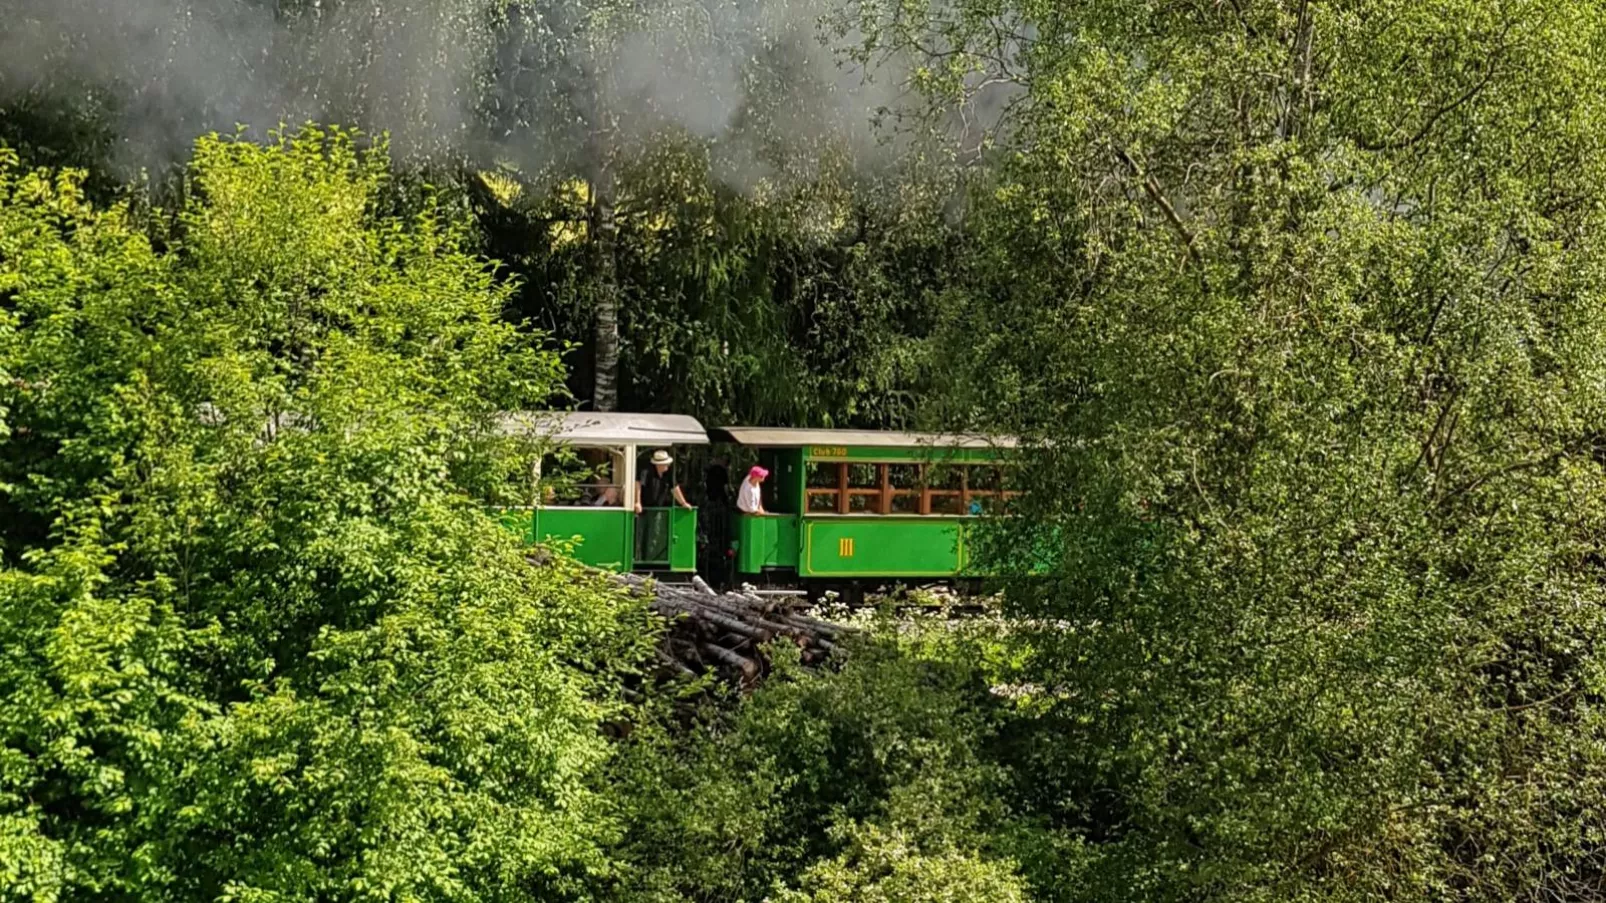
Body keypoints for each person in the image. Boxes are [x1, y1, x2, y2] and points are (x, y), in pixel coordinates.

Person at [636, 449, 691, 564]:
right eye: (665, 463)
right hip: (643, 510)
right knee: (639, 535)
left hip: (657, 510)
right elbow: (638, 485)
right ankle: (639, 561)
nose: (667, 465)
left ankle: (651, 562)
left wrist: (683, 503)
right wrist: (637, 502)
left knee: (654, 535)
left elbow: (674, 488)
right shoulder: (647, 472)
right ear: (658, 464)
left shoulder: (668, 473)